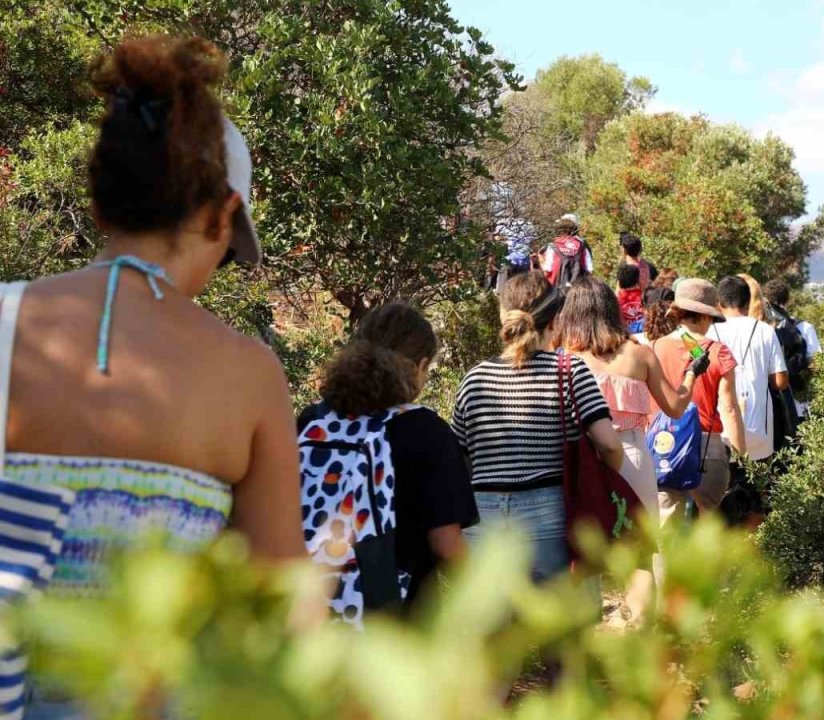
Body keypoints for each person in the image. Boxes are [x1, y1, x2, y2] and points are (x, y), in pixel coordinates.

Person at [0, 36, 304, 716]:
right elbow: (283, 614)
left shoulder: (6, 322)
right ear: (221, 214)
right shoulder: (248, 376)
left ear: (103, 199)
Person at [297, 303, 477, 624]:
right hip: (395, 618)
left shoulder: (313, 420)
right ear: (421, 365)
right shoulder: (426, 430)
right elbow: (446, 542)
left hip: (308, 603)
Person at [451, 272, 624, 583]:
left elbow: (459, 456)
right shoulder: (570, 372)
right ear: (556, 320)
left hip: (483, 514)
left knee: (497, 624)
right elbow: (609, 444)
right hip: (548, 510)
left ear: (503, 317)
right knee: (552, 620)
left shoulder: (475, 377)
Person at [557, 277, 709, 621]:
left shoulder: (564, 359)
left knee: (585, 548)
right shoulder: (639, 355)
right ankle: (642, 634)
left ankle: (584, 633)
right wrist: (691, 375)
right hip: (633, 454)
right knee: (641, 553)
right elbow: (673, 406)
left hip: (584, 458)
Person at [650, 279, 747, 522]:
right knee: (708, 523)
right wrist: (740, 456)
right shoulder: (718, 352)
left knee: (665, 525)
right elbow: (729, 408)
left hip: (665, 441)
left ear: (679, 313)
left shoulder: (653, 348)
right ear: (705, 317)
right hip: (707, 446)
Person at [712, 277, 789, 528]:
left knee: (720, 496)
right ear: (748, 302)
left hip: (720, 428)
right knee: (755, 497)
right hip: (759, 432)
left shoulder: (710, 331)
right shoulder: (765, 331)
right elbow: (780, 381)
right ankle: (749, 553)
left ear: (719, 303)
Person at [762, 278, 823, 417]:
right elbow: (817, 363)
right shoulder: (805, 327)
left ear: (765, 300)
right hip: (799, 403)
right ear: (788, 300)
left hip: (769, 403)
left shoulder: (762, 329)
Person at [541, 214, 594, 289]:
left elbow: (547, 270)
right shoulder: (582, 245)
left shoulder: (553, 246)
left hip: (556, 289)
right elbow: (590, 270)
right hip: (579, 288)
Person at [616, 264, 645, 334]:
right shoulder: (644, 296)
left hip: (626, 337)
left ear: (619, 282)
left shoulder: (616, 300)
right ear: (637, 280)